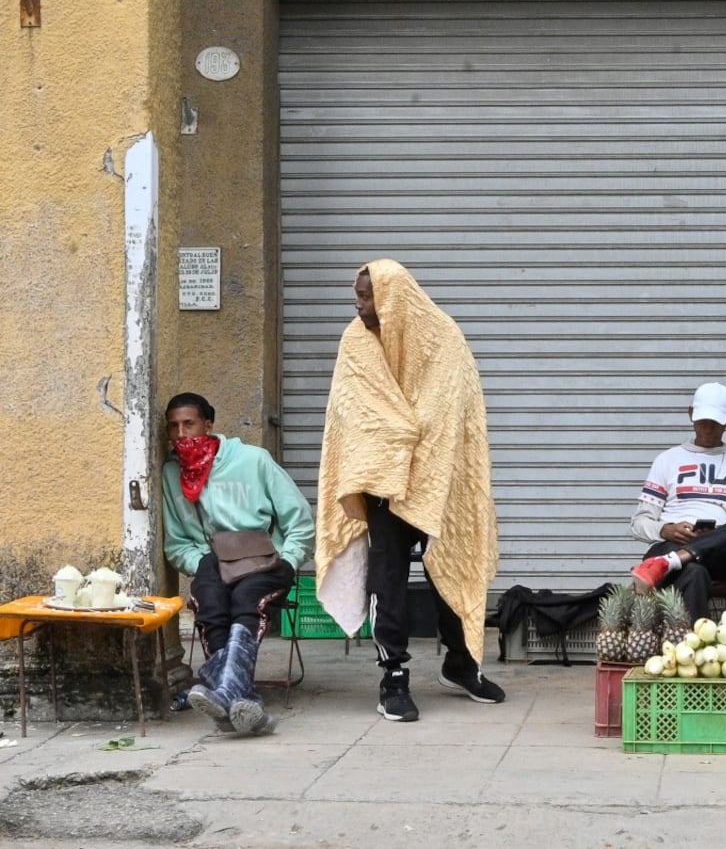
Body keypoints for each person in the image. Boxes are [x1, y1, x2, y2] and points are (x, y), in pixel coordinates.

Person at [314, 258, 504, 723]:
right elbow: (354, 411)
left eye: (366, 296)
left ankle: (462, 663)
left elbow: (452, 411)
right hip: (382, 482)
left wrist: (408, 438)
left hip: (442, 481)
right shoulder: (355, 342)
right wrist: (398, 440)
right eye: (357, 295)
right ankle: (392, 676)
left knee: (453, 569)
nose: (358, 306)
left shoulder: (444, 338)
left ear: (392, 297)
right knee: (387, 578)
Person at [160, 392, 316, 736]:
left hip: (264, 558)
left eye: (190, 423)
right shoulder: (172, 475)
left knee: (247, 599)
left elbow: (300, 519)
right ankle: (242, 700)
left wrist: (289, 560)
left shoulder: (253, 460)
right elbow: (176, 544)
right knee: (210, 603)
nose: (182, 433)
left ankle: (225, 692)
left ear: (208, 425)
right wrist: (202, 562)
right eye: (174, 427)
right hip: (213, 560)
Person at [629, 382, 726, 619]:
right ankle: (696, 650)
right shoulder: (667, 460)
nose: (707, 428)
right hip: (671, 545)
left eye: (715, 422)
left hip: (722, 554)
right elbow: (638, 523)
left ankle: (676, 559)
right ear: (691, 414)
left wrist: (718, 537)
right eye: (703, 420)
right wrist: (666, 529)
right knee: (694, 572)